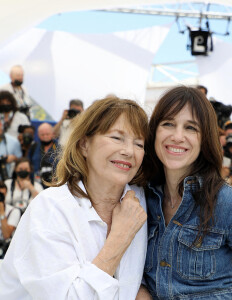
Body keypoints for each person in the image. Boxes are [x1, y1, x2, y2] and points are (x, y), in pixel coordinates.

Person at [139, 86, 232, 299]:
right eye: (168, 124)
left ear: (205, 138)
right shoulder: (141, 198)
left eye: (191, 128)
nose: (177, 136)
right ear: (154, 132)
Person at [0, 97, 149, 299]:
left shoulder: (142, 202)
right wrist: (120, 237)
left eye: (139, 143)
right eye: (116, 138)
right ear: (84, 145)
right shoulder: (50, 208)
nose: (129, 151)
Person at [0, 180, 21, 259]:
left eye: (1, 195)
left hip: (6, 250)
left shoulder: (14, 211)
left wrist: (2, 212)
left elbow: (6, 235)